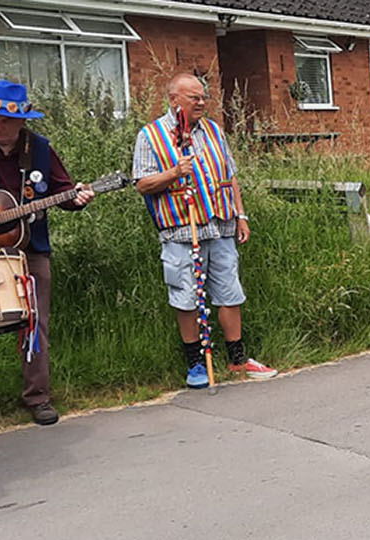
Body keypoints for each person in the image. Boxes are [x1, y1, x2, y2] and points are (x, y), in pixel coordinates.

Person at [0, 80, 96, 424]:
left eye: (4, 120)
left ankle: (38, 397)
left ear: (23, 121)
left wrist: (78, 199)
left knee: (36, 320)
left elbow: (63, 191)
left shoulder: (39, 148)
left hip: (29, 248)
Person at [132, 73, 277, 389]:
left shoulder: (213, 131)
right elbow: (142, 184)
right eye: (194, 97)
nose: (201, 102)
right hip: (181, 230)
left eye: (203, 97)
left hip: (221, 224)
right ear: (174, 100)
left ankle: (237, 359)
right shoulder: (151, 135)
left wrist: (241, 215)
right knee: (186, 295)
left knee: (230, 291)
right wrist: (174, 173)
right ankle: (196, 363)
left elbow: (231, 176)